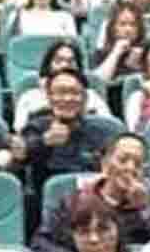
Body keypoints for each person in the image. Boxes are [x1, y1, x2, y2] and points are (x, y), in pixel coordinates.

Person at [30, 134, 150, 252]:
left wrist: (143, 210)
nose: (130, 168)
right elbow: (42, 245)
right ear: (105, 163)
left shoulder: (148, 206)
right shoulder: (74, 202)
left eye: (138, 164)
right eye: (123, 160)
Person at [17, 67, 111, 196]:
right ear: (49, 98)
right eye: (60, 93)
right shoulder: (35, 127)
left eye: (74, 93)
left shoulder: (102, 130)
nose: (67, 98)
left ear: (85, 98)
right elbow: (21, 155)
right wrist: (44, 141)